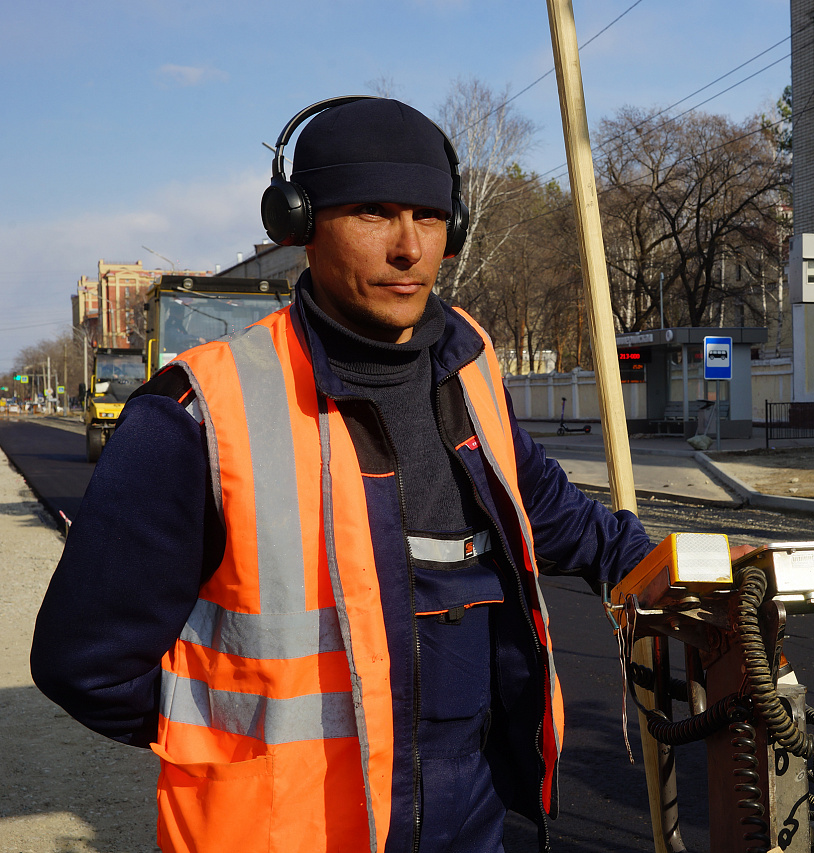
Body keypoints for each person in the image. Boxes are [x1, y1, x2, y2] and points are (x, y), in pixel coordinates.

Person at [30, 97, 653, 853]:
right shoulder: (199, 415)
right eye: (372, 212)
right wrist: (230, 745)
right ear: (299, 227)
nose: (408, 247)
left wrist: (663, 568)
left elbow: (546, 510)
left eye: (429, 217)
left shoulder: (471, 362)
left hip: (478, 817)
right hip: (297, 828)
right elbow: (84, 661)